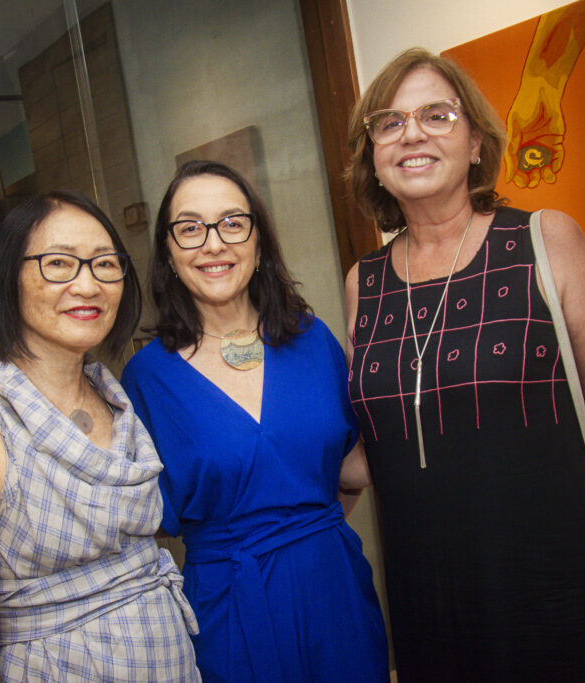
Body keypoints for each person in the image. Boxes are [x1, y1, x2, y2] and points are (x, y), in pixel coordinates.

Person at [344, 48, 585, 682]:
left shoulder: (546, 242)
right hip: (428, 604)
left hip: (553, 589)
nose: (412, 133)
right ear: (373, 159)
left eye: (437, 114)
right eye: (389, 122)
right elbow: (369, 448)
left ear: (478, 144)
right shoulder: (364, 283)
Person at [121, 160, 388, 683]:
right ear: (169, 255)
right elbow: (142, 524)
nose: (213, 243)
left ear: (259, 243)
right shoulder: (145, 379)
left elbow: (349, 469)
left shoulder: (313, 342)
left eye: (232, 223)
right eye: (190, 228)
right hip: (228, 607)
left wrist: (307, 535)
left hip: (334, 592)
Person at [0, 190, 200, 682]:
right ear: (11, 277)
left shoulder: (111, 392)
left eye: (104, 264)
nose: (87, 285)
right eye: (59, 264)